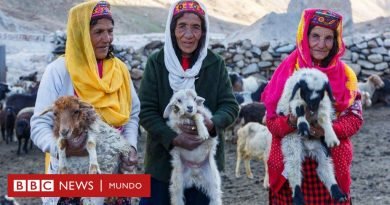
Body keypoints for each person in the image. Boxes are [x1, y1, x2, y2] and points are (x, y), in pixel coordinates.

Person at [30, 1, 140, 204]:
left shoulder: (120, 70)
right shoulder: (60, 71)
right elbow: (39, 125)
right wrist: (62, 148)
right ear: (80, 33)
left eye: (110, 31)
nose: (106, 39)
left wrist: (130, 147)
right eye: (98, 32)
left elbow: (132, 115)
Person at [137, 0, 239, 204]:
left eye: (196, 27)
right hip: (162, 165)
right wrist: (173, 137)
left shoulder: (214, 63)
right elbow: (146, 111)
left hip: (202, 164)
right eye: (182, 26)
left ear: (203, 31)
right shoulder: (157, 63)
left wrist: (211, 124)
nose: (189, 35)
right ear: (172, 29)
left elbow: (230, 106)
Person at [261, 9, 363, 205]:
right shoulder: (286, 72)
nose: (322, 45)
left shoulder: (347, 76)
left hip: (331, 161)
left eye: (328, 38)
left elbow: (355, 118)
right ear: (304, 36)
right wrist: (292, 122)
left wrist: (323, 131)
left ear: (336, 41)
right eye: (315, 36)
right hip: (288, 164)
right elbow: (272, 122)